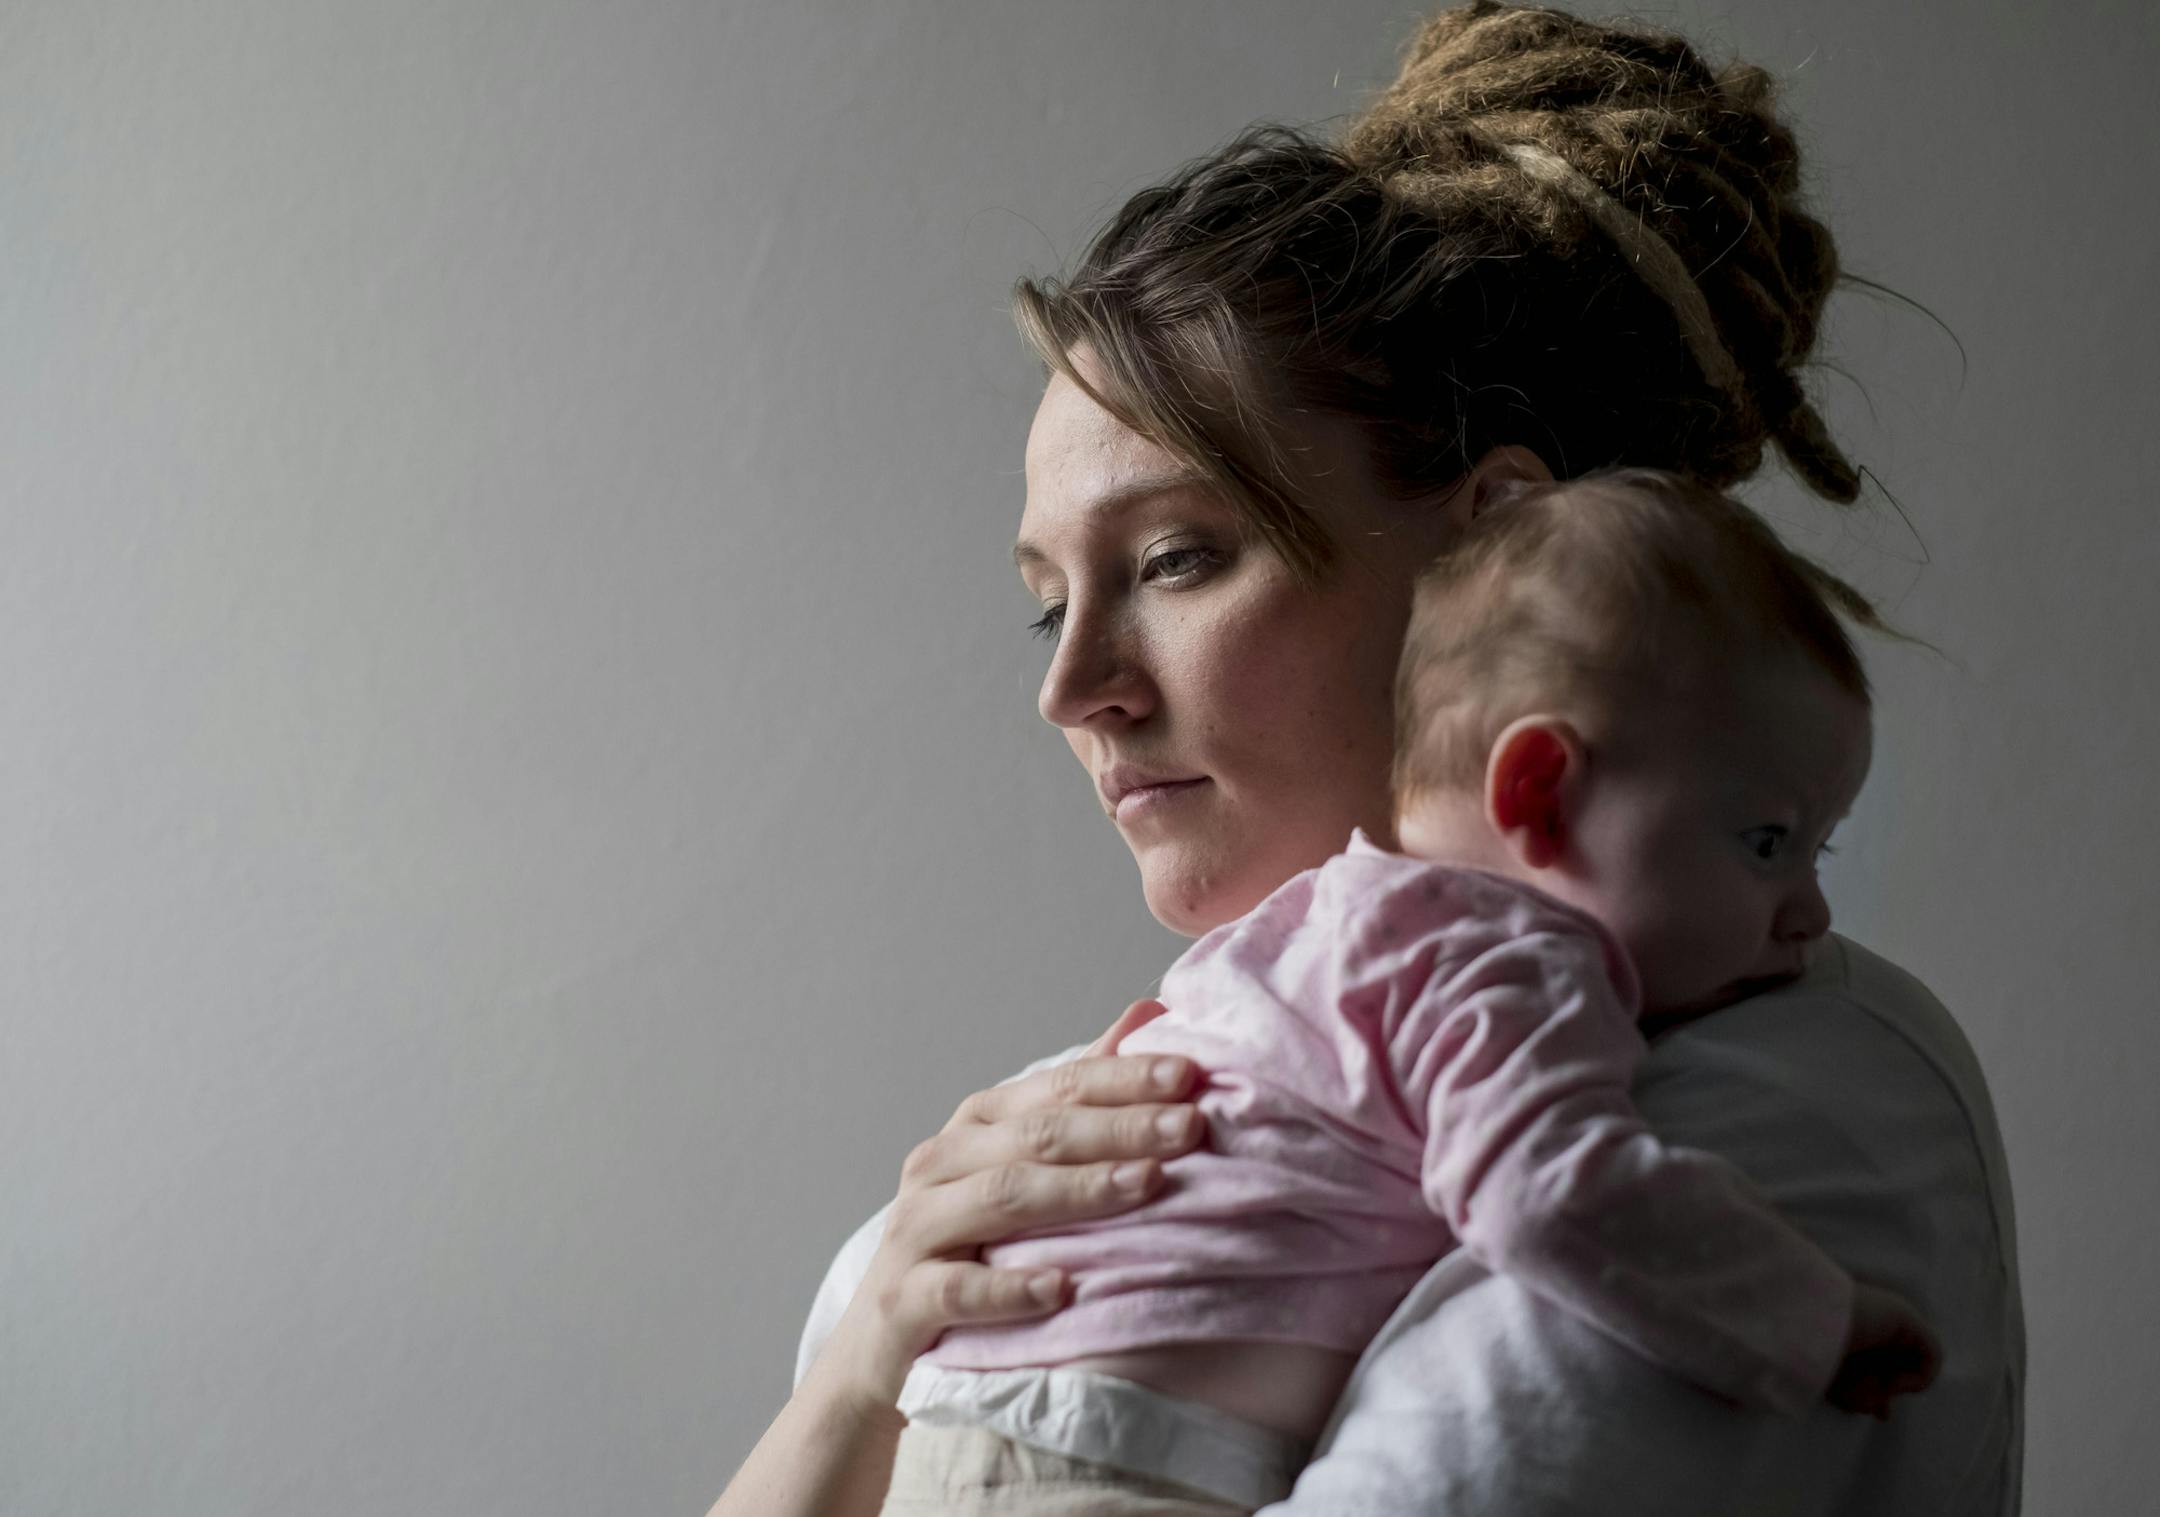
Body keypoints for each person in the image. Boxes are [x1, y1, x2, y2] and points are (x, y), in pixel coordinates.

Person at [708, 4, 2023, 1514]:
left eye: (1182, 558)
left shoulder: (1773, 1101)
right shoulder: (1112, 1109)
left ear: (1491, 530)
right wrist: (866, 1361)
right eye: (1047, 607)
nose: (1076, 689)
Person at [886, 470, 1942, 1514]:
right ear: (1541, 790)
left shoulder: (1327, 915)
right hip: (1111, 1451)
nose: (1809, 911)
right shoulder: (1508, 954)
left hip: (983, 1409)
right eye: (1769, 841)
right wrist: (1823, 1320)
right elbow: (1552, 1192)